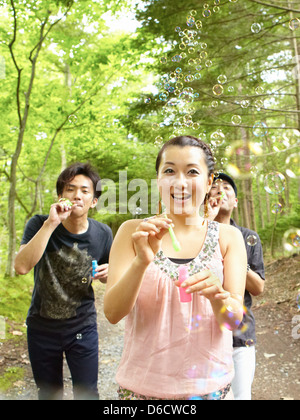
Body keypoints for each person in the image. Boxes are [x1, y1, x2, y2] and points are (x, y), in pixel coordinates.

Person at [104, 136, 247, 400]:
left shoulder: (229, 238)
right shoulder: (131, 232)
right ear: (158, 179)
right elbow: (112, 313)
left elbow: (234, 322)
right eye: (169, 170)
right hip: (141, 391)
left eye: (192, 171)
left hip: (209, 389)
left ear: (208, 182)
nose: (180, 182)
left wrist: (218, 297)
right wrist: (141, 262)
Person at [14, 162, 113, 400]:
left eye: (85, 191)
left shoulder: (103, 233)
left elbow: (110, 277)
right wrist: (52, 223)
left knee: (87, 394)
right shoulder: (39, 224)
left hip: (82, 326)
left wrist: (110, 274)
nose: (77, 195)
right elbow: (21, 266)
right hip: (41, 327)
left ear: (94, 201)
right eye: (70, 189)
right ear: (61, 195)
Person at [208, 172, 265, 400]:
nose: (220, 191)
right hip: (204, 334)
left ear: (235, 202)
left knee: (240, 396)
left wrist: (235, 259)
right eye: (214, 187)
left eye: (227, 188)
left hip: (240, 334)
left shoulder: (248, 237)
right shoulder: (197, 233)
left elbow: (258, 287)